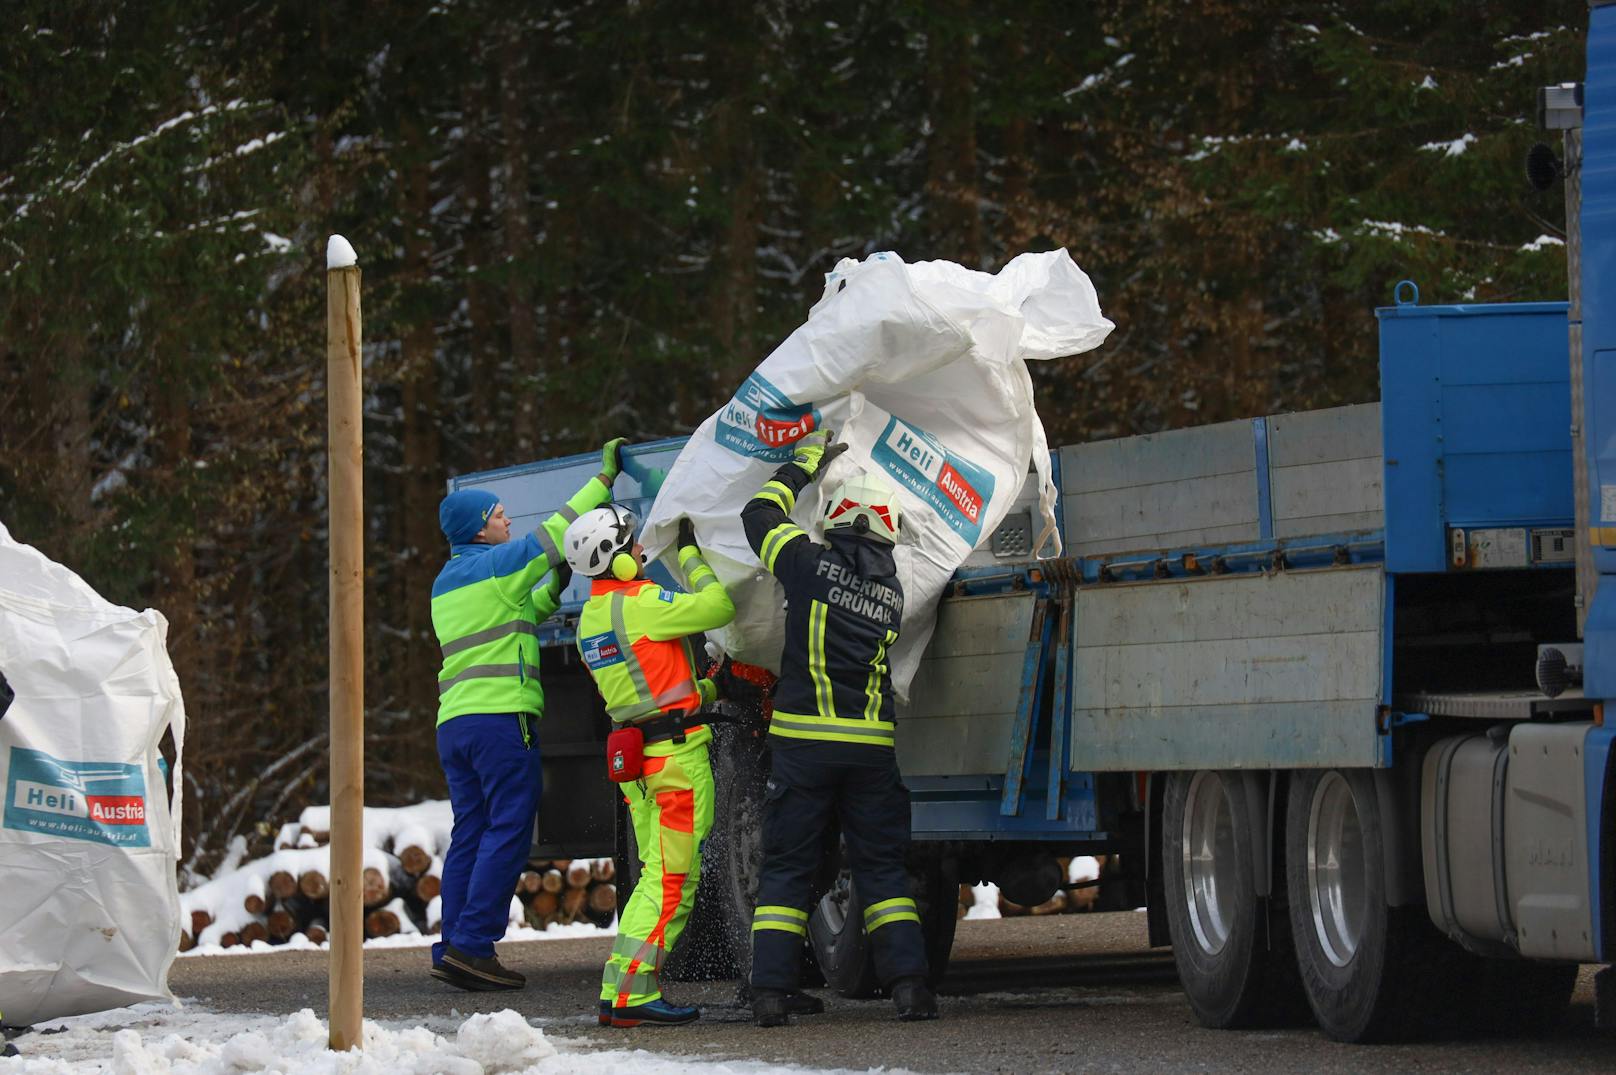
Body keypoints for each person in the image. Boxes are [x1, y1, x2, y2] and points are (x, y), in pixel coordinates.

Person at [741, 430, 937, 1026]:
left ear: (835, 521)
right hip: (870, 753)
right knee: (883, 871)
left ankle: (771, 994)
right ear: (886, 531)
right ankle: (909, 988)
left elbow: (757, 515)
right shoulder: (892, 592)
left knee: (788, 867)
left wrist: (801, 464)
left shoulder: (807, 565)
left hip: (804, 749)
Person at [428, 437, 627, 991]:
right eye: (498, 515)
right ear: (478, 529)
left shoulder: (448, 583)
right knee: (509, 828)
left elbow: (515, 613)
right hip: (500, 720)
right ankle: (474, 945)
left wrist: (552, 589)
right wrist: (605, 481)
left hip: (455, 725)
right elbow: (560, 529)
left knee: (469, 831)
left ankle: (453, 943)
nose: (507, 519)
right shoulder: (498, 564)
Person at [563, 505, 736, 1027]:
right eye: (634, 546)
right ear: (616, 563)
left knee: (652, 878)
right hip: (675, 762)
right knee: (672, 881)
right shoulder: (641, 602)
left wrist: (704, 689)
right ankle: (636, 992)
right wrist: (690, 557)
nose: (642, 552)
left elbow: (643, 687)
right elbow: (719, 604)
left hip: (641, 763)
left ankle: (619, 988)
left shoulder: (591, 620)